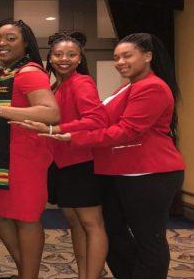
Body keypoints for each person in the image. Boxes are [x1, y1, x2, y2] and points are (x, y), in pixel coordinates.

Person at [22, 33, 185, 279]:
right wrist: (59, 129)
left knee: (148, 239)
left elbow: (126, 131)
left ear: (148, 56)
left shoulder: (152, 86)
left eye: (127, 55)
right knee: (115, 233)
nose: (120, 62)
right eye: (117, 57)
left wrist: (69, 136)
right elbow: (99, 122)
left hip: (150, 172)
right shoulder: (129, 85)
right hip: (121, 171)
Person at [0, 19, 60, 279]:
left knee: (26, 218)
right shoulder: (5, 73)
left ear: (26, 43)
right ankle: (25, 270)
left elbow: (51, 113)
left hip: (23, 158)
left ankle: (27, 274)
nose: (1, 43)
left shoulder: (29, 72)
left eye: (10, 38)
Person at [12, 31, 108, 279]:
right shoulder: (55, 85)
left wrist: (56, 129)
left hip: (81, 161)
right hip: (61, 162)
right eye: (58, 54)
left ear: (79, 58)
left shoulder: (82, 82)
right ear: (50, 57)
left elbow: (97, 120)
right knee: (75, 223)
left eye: (71, 54)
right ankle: (84, 274)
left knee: (91, 224)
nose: (63, 59)